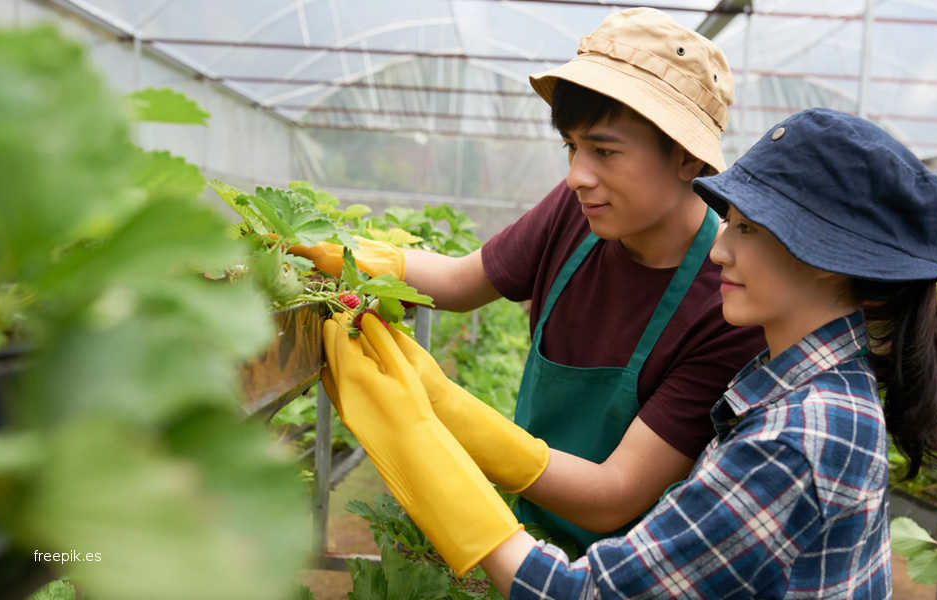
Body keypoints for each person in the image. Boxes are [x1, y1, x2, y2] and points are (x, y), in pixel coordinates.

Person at [321, 108, 937, 598]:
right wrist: (438, 403)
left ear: (827, 261)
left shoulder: (800, 435)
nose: (720, 249)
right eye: (728, 223)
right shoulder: (794, 387)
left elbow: (578, 594)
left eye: (747, 230)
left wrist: (419, 436)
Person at [301, 7, 765, 552]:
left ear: (687, 158)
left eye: (605, 151)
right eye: (571, 147)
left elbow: (615, 494)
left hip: (634, 566)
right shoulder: (579, 213)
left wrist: (445, 407)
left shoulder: (728, 303)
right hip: (532, 529)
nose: (577, 176)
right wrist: (329, 252)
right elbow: (459, 281)